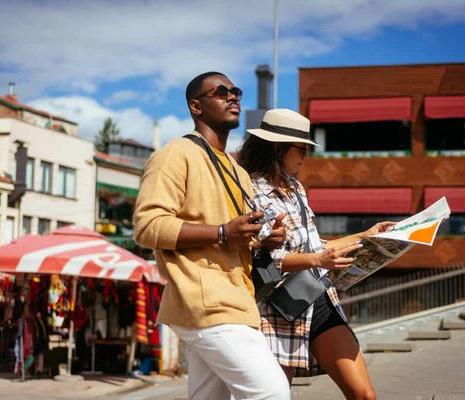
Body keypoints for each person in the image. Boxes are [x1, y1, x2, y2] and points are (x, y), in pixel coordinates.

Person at [134, 72, 291, 400]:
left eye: (236, 91)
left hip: (236, 297)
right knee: (272, 392)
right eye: (221, 92)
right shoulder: (175, 154)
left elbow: (232, 240)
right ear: (196, 106)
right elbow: (147, 227)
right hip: (205, 300)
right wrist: (222, 232)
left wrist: (260, 239)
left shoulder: (239, 173)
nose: (233, 97)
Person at [238, 108, 396, 400]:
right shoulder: (250, 192)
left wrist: (366, 235)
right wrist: (317, 261)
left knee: (365, 395)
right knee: (274, 396)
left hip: (319, 298)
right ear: (277, 146)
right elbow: (264, 258)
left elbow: (315, 245)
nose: (305, 157)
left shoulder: (296, 187)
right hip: (280, 308)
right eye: (302, 149)